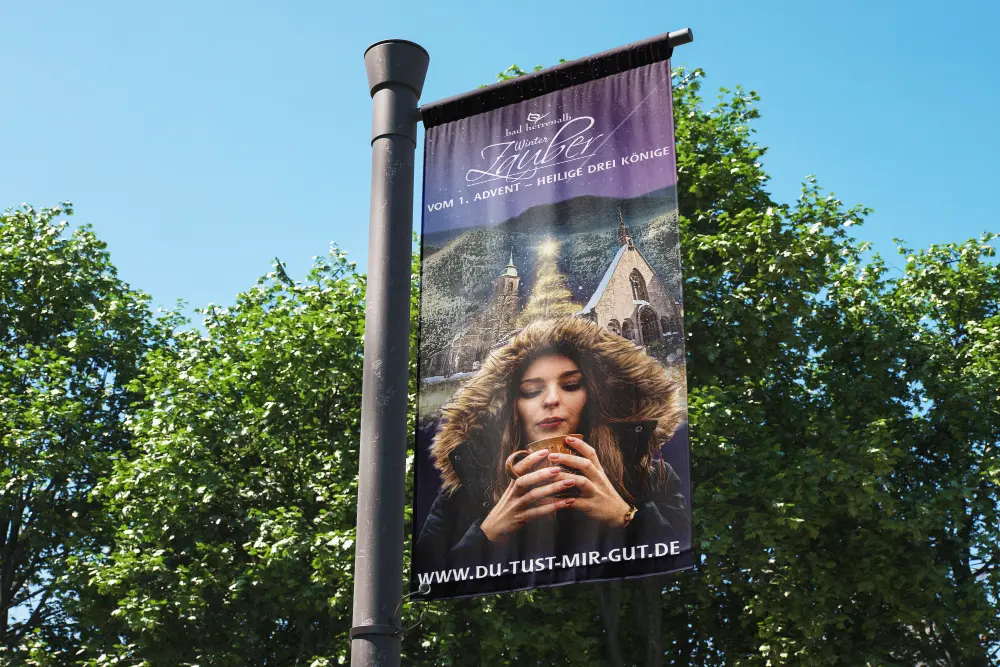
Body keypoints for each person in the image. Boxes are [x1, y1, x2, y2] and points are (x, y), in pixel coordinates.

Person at [414, 316, 690, 592]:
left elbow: (681, 574)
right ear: (511, 407)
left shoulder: (651, 478)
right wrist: (486, 535)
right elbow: (425, 590)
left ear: (593, 396)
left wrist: (627, 517)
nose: (551, 400)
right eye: (531, 391)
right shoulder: (460, 497)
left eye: (571, 385)